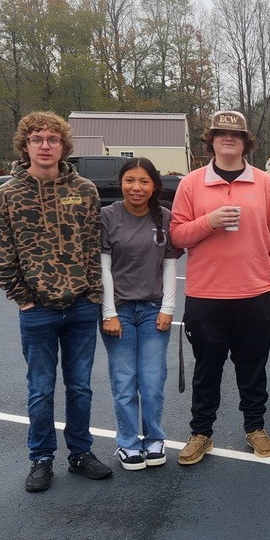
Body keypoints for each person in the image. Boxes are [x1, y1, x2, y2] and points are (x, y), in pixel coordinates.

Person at [0, 111, 112, 492]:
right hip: (37, 310)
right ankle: (41, 459)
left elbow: (95, 247)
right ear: (25, 146)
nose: (45, 145)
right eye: (37, 139)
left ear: (63, 145)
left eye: (52, 139)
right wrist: (22, 298)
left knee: (80, 387)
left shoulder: (85, 191)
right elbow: (0, 254)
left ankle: (80, 453)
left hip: (80, 307)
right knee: (40, 388)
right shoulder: (9, 194)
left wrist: (93, 293)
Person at [170, 110, 270, 466]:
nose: (228, 139)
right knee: (207, 369)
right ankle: (201, 432)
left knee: (252, 368)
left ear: (245, 142)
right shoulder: (191, 183)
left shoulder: (265, 184)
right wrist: (208, 222)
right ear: (211, 139)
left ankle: (255, 427)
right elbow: (177, 237)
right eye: (221, 134)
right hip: (206, 296)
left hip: (255, 296)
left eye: (235, 135)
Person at [101, 158, 183, 471]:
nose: (137, 188)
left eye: (144, 181)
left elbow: (168, 263)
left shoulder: (163, 216)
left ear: (154, 186)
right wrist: (109, 312)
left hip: (153, 311)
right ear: (121, 183)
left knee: (152, 380)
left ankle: (154, 439)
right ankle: (128, 443)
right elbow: (103, 267)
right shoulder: (107, 216)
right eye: (130, 181)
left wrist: (168, 308)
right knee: (124, 381)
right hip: (118, 311)